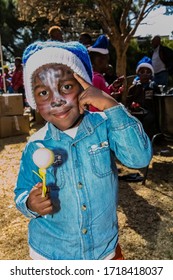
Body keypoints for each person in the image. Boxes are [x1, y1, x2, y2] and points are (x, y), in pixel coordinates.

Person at [14, 40, 152, 260]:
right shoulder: (36, 145)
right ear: (33, 101)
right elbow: (21, 191)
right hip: (52, 255)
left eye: (66, 87)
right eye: (43, 93)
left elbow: (139, 158)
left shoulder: (105, 126)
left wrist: (111, 105)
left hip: (103, 252)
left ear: (85, 87)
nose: (56, 101)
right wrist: (30, 203)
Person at [126, 56, 160, 139]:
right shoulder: (133, 88)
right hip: (136, 112)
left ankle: (147, 139)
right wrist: (132, 105)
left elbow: (158, 103)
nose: (145, 74)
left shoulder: (153, 87)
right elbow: (128, 102)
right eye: (142, 72)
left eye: (148, 72)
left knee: (149, 119)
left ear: (151, 74)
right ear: (138, 73)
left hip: (149, 112)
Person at [88, 34, 124, 111]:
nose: (107, 64)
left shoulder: (95, 76)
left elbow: (103, 93)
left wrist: (113, 87)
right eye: (106, 61)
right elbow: (96, 104)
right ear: (99, 61)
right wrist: (113, 98)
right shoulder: (96, 79)